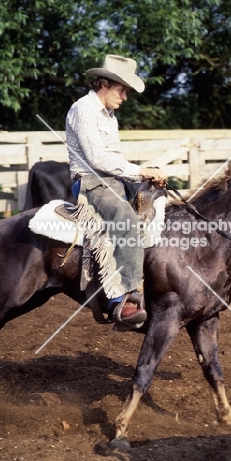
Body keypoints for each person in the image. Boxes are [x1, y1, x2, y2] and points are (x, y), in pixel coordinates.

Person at [65, 54, 167, 328]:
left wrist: (145, 177)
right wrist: (142, 170)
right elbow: (97, 160)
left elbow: (115, 161)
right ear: (105, 84)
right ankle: (121, 300)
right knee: (126, 220)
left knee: (157, 201)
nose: (125, 97)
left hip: (113, 180)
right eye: (122, 90)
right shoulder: (84, 109)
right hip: (91, 182)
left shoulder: (109, 116)